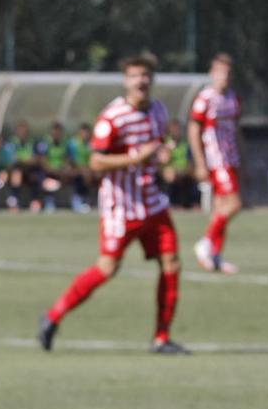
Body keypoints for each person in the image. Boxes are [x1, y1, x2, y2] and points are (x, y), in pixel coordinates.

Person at [37, 51, 186, 356]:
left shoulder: (159, 110)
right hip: (122, 207)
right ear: (125, 81)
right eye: (134, 76)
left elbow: (154, 151)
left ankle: (161, 338)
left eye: (145, 75)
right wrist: (134, 158)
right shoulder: (112, 118)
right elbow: (95, 161)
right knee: (107, 268)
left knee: (172, 262)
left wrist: (160, 157)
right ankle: (53, 316)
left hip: (153, 204)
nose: (140, 81)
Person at [188, 52, 243, 274]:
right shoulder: (205, 98)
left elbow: (237, 131)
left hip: (232, 158)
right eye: (220, 72)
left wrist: (244, 158)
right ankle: (205, 244)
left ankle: (216, 257)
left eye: (228, 73)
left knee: (221, 209)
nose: (225, 77)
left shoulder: (233, 98)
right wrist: (200, 162)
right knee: (235, 204)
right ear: (212, 74)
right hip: (216, 159)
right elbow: (193, 130)